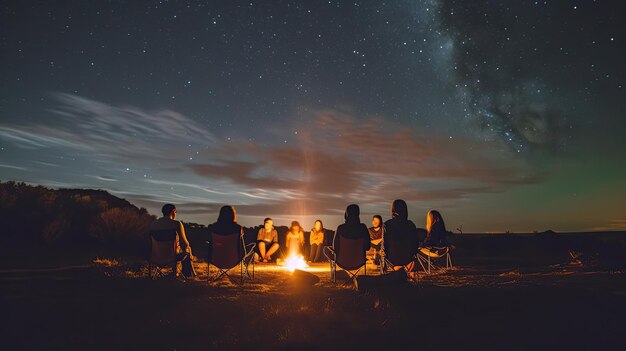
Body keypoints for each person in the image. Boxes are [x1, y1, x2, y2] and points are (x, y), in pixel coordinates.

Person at [149, 204, 196, 278]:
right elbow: (184, 243)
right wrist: (186, 248)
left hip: (155, 257)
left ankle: (187, 274)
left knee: (186, 248)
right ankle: (188, 275)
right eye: (176, 212)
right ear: (173, 211)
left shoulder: (153, 224)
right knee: (188, 248)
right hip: (172, 258)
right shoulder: (176, 224)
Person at [383, 199, 420, 271]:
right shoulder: (411, 224)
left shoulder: (387, 224)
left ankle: (396, 272)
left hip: (392, 260)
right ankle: (405, 271)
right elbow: (415, 244)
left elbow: (385, 245)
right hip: (408, 259)